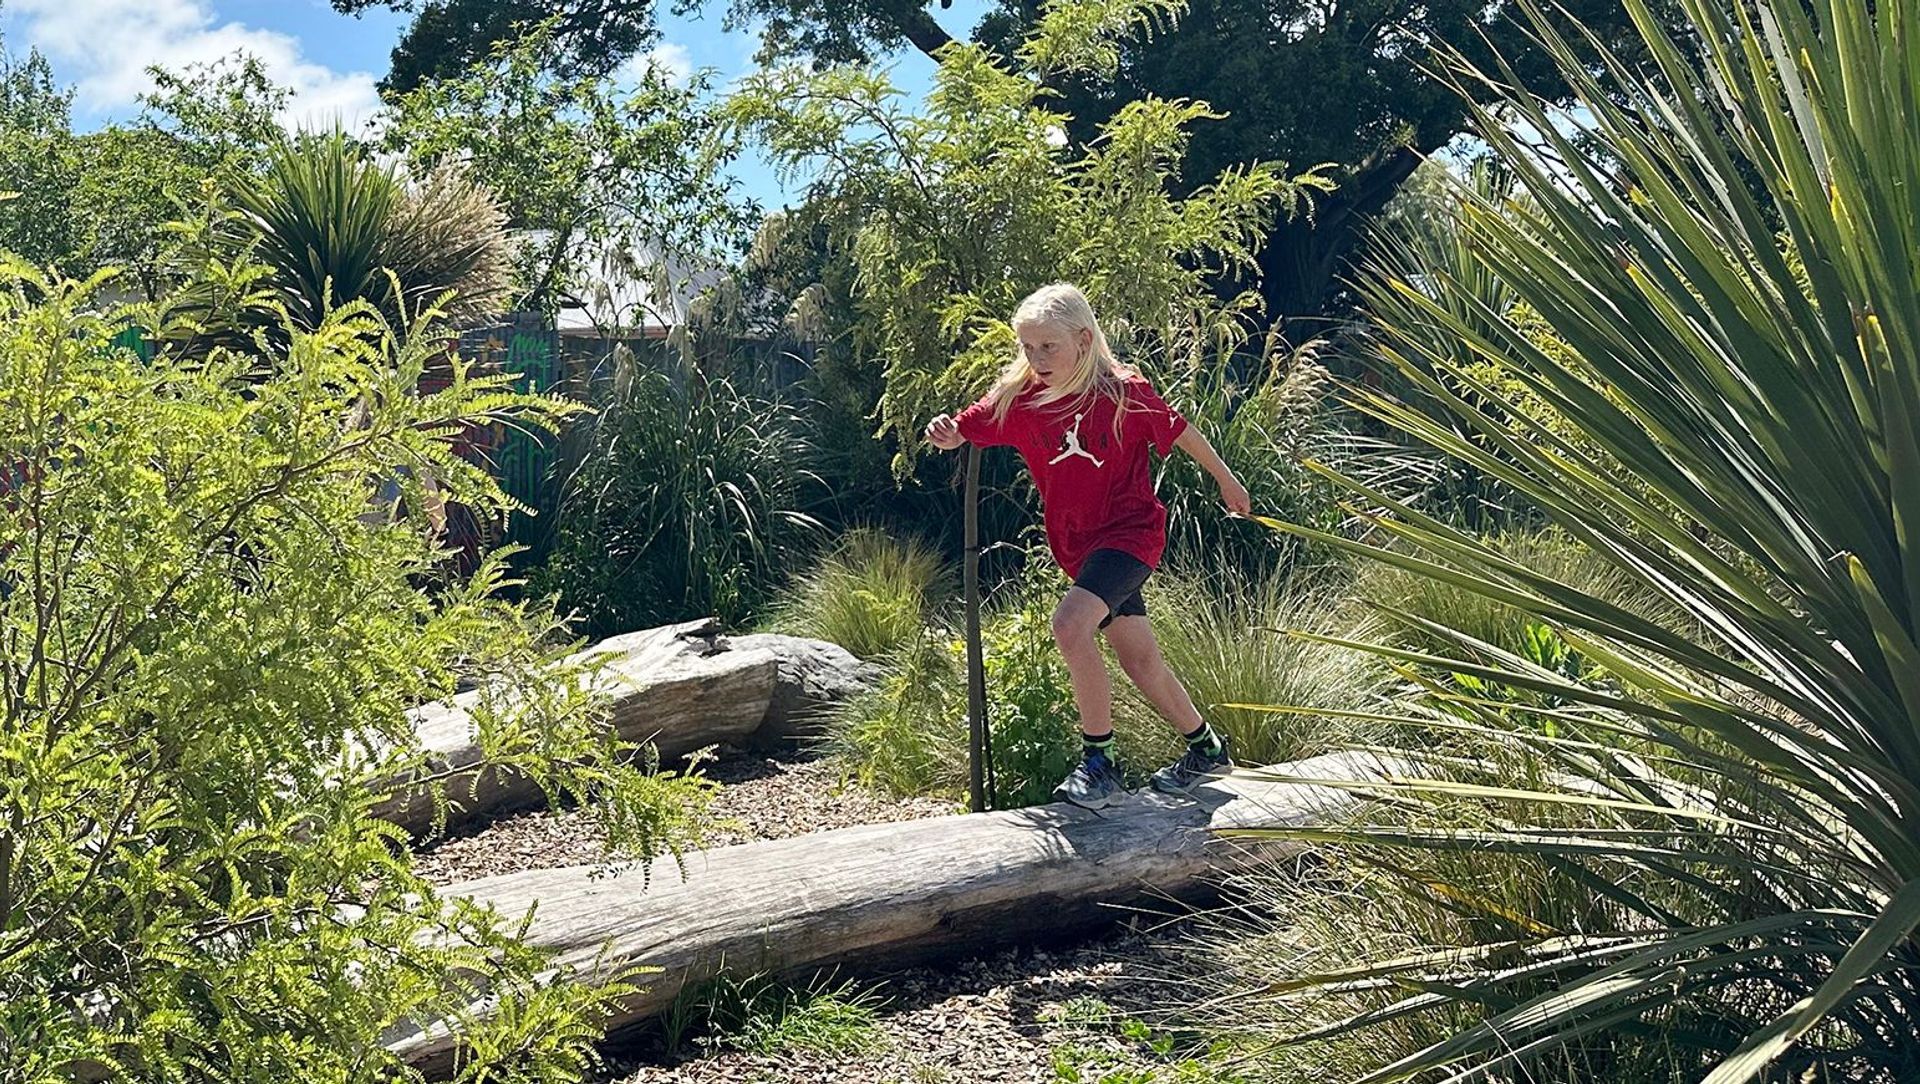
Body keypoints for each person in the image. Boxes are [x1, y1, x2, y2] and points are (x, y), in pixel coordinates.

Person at [924, 283, 1252, 809]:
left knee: (1069, 625)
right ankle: (1207, 750)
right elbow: (965, 426)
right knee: (1139, 659)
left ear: (1083, 338)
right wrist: (947, 433)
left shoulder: (1123, 391)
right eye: (1027, 347)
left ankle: (1100, 764)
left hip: (1130, 535)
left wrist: (1226, 480)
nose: (1035, 358)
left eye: (1047, 346)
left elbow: (1183, 431)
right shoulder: (1023, 397)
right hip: (1077, 547)